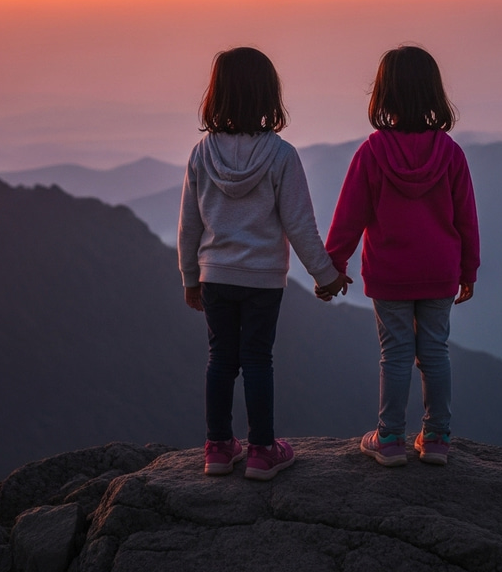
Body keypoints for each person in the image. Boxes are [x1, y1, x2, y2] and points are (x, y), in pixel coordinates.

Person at [178, 47, 350, 480]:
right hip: (263, 280)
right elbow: (299, 224)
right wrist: (326, 276)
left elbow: (188, 225)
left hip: (215, 275)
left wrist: (190, 278)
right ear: (268, 96)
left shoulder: (201, 154)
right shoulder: (281, 155)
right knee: (257, 360)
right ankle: (261, 451)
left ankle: (217, 448)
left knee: (220, 359)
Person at [316, 45, 479, 467]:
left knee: (396, 353)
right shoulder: (450, 154)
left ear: (382, 95)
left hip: (389, 272)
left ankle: (389, 438)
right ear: (433, 94)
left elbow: (349, 216)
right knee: (436, 351)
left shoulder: (372, 154)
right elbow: (466, 218)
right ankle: (438, 437)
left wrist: (332, 266)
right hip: (440, 270)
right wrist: (469, 270)